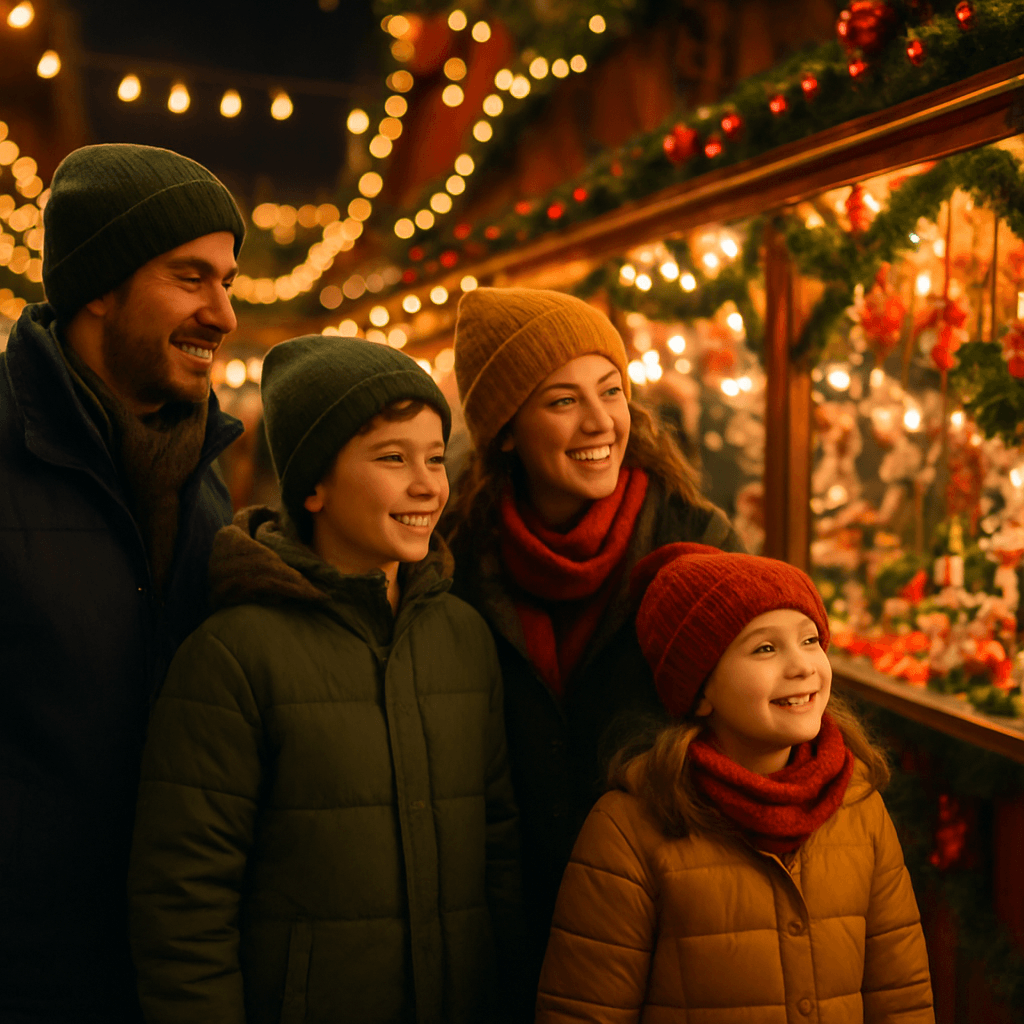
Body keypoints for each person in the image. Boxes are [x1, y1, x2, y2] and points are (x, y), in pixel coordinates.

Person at [128, 336, 522, 1024]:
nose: (428, 484)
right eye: (392, 458)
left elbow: (498, 849)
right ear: (314, 483)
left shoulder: (462, 638)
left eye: (436, 457)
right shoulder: (234, 655)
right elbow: (185, 901)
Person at [0, 143, 245, 1022]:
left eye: (227, 279)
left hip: (175, 964)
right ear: (99, 285)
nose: (223, 310)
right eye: (191, 277)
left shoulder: (205, 468)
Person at [446, 286, 744, 979]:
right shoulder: (456, 563)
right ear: (506, 429)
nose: (599, 422)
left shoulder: (695, 543)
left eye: (610, 391)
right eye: (561, 400)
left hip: (670, 933)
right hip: (509, 936)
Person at [536, 543, 934, 1023]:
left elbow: (902, 997)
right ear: (700, 689)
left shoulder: (858, 804)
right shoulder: (630, 828)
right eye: (765, 647)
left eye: (810, 641)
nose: (803, 665)